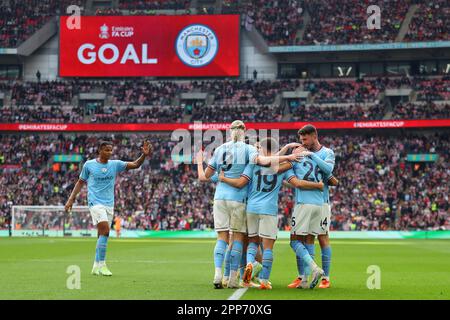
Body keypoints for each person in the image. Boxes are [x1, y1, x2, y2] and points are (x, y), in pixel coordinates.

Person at [199, 120, 302, 289]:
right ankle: (235, 278)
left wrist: (202, 164)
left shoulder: (219, 149)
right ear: (244, 131)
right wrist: (289, 156)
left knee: (223, 238)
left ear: (229, 131)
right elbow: (266, 161)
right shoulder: (249, 151)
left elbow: (206, 175)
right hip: (240, 200)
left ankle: (219, 274)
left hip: (220, 198)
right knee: (240, 239)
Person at [218, 137, 324, 289]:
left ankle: (249, 264)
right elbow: (296, 183)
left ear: (261, 149)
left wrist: (222, 178)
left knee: (253, 242)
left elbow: (244, 180)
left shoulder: (253, 164)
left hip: (251, 208)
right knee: (267, 247)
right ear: (275, 151)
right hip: (269, 210)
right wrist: (294, 162)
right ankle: (264, 281)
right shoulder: (284, 167)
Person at [65, 140, 152, 276]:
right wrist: (71, 199)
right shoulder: (89, 165)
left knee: (101, 234)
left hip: (109, 204)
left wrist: (144, 155)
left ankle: (95, 265)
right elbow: (80, 182)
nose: (109, 152)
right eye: (106, 150)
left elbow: (135, 164)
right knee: (105, 230)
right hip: (95, 203)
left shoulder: (115, 164)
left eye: (111, 150)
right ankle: (103, 265)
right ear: (100, 150)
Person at [290, 124, 336, 289]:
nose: (303, 142)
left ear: (314, 136)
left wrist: (311, 155)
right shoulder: (301, 154)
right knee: (305, 238)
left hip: (322, 201)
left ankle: (326, 278)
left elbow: (328, 169)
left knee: (322, 238)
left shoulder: (327, 152)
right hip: (307, 200)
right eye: (301, 140)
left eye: (305, 139)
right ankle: (303, 276)